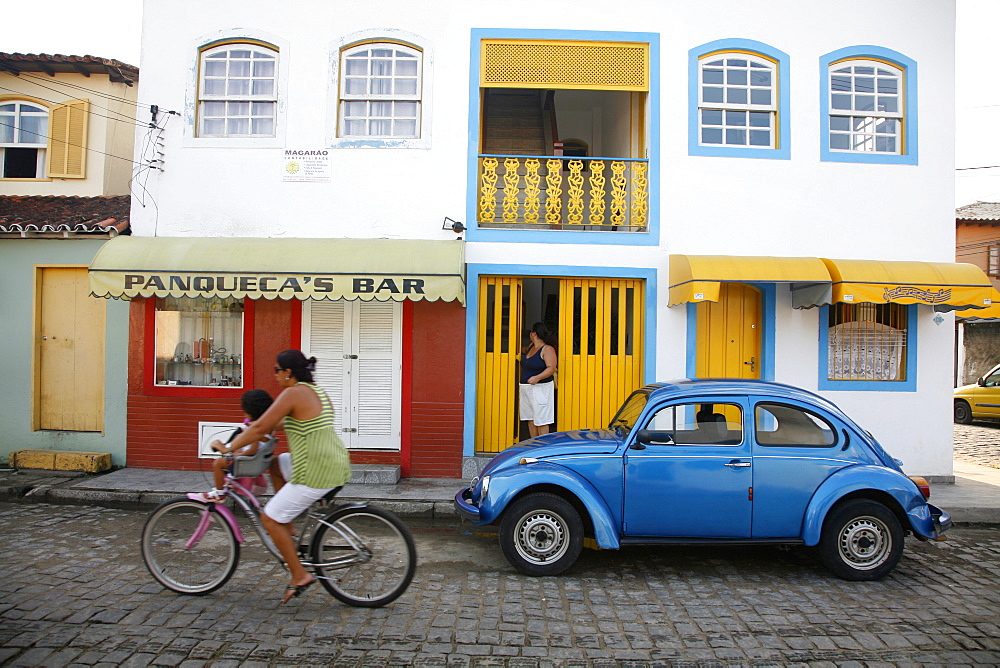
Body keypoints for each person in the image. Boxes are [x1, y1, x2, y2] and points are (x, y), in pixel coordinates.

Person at [213, 349, 352, 604]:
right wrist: (254, 431)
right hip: (334, 462)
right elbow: (273, 424)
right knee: (276, 464)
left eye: (277, 370)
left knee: (268, 519)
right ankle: (288, 523)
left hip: (315, 470)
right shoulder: (314, 391)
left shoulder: (293, 393)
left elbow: (261, 427)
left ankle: (299, 575)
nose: (275, 375)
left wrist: (228, 448)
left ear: (288, 372)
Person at [197, 389, 274, 502]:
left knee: (218, 464)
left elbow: (252, 450)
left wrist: (238, 454)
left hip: (248, 461)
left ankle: (219, 493)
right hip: (254, 460)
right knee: (231, 453)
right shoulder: (269, 426)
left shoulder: (255, 428)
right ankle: (228, 483)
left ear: (248, 411)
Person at [519, 322, 558, 437]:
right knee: (530, 419)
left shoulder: (547, 349)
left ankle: (542, 447)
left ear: (534, 333)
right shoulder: (531, 347)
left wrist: (537, 377)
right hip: (526, 388)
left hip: (541, 388)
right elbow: (522, 349)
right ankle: (533, 445)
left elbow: (551, 368)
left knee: (542, 420)